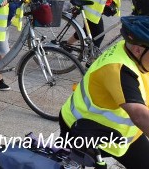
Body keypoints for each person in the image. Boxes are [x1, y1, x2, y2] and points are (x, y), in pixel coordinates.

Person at [60, 15, 149, 169]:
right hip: (84, 129)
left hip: (120, 131)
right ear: (138, 49)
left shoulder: (131, 51)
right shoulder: (119, 70)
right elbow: (139, 114)